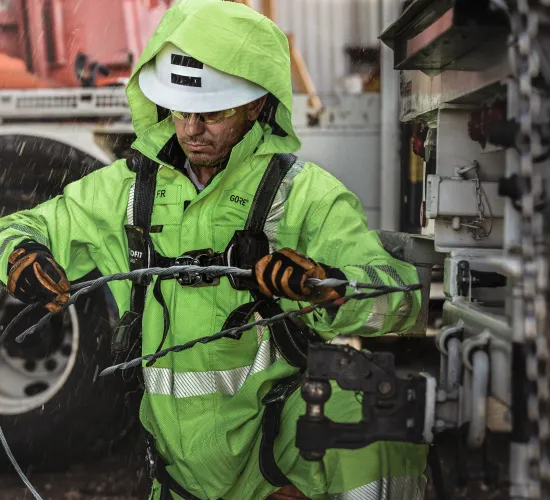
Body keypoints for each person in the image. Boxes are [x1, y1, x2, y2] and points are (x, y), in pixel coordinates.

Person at [0, 1, 427, 498]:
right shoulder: (126, 193)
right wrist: (19, 255)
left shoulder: (304, 197)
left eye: (212, 113)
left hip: (280, 461)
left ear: (255, 105)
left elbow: (400, 300)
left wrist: (325, 285)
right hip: (180, 478)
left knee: (377, 430)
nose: (191, 129)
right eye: (181, 110)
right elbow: (19, 226)